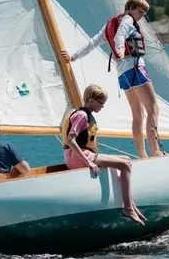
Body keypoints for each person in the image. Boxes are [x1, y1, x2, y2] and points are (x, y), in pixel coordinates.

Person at [60, 0, 164, 160]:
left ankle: (142, 155)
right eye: (140, 12)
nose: (141, 16)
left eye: (144, 13)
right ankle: (155, 151)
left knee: (137, 114)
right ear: (131, 8)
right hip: (135, 68)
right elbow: (120, 36)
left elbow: (93, 42)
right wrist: (121, 48)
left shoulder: (110, 23)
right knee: (153, 109)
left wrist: (73, 57)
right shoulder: (128, 20)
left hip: (123, 73)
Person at [61, 83, 145, 225]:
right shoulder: (82, 115)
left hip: (81, 154)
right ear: (90, 100)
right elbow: (70, 140)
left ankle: (130, 202)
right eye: (100, 103)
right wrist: (89, 162)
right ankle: (128, 208)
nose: (102, 106)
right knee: (125, 165)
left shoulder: (86, 115)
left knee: (126, 159)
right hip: (77, 156)